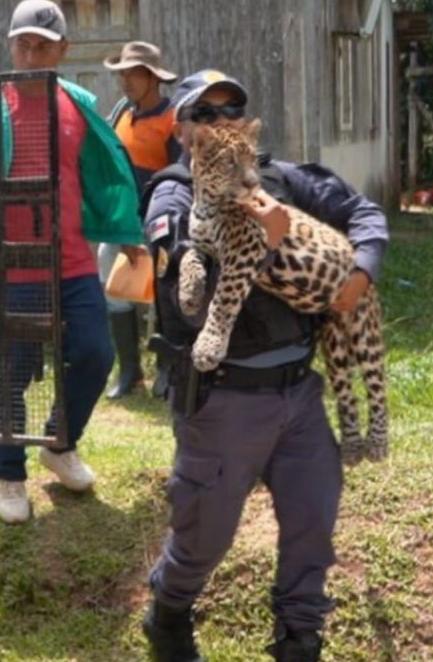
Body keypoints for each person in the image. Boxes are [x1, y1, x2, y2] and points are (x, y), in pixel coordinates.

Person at [141, 71, 388, 661]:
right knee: (205, 536)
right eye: (205, 113)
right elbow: (181, 276)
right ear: (182, 129)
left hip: (299, 392)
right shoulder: (174, 191)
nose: (221, 121)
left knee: (312, 522)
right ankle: (169, 613)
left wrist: (361, 272)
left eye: (232, 109)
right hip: (225, 398)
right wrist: (262, 237)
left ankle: (299, 640)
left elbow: (363, 213)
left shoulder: (283, 177)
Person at [0, 0, 144, 524]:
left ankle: (60, 443)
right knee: (3, 371)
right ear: (10, 44)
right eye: (22, 44)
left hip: (72, 258)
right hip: (2, 262)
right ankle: (11, 478)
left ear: (62, 50)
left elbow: (103, 176)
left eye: (42, 46)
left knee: (95, 354)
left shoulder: (78, 103)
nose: (30, 56)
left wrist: (126, 233)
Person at [99, 41, 181, 400]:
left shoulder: (173, 119)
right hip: (119, 221)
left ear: (153, 78)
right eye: (122, 74)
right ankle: (129, 371)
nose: (126, 81)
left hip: (158, 221)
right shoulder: (120, 113)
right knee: (113, 288)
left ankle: (167, 370)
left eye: (134, 74)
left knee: (164, 296)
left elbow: (180, 175)